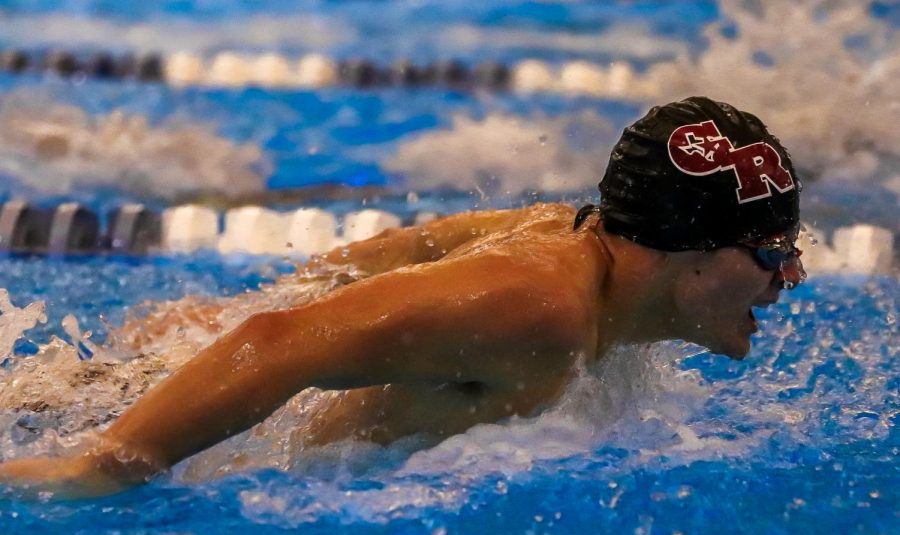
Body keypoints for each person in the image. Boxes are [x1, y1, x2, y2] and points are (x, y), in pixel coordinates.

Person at [0, 96, 805, 498]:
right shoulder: (539, 307)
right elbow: (282, 342)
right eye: (771, 252)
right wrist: (112, 463)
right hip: (185, 431)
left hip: (164, 366)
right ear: (685, 253)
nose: (790, 277)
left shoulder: (572, 235)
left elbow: (401, 251)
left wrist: (211, 325)